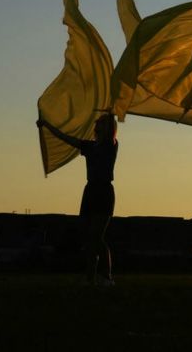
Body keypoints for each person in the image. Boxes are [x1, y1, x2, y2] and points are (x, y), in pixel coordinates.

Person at [37, 113, 118, 286]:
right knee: (89, 238)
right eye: (99, 123)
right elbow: (66, 138)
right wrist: (46, 125)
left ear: (109, 127)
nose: (99, 126)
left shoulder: (111, 145)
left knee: (97, 236)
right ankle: (90, 278)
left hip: (104, 191)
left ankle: (107, 276)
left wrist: (111, 112)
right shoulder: (90, 146)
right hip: (90, 191)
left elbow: (110, 128)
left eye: (103, 123)